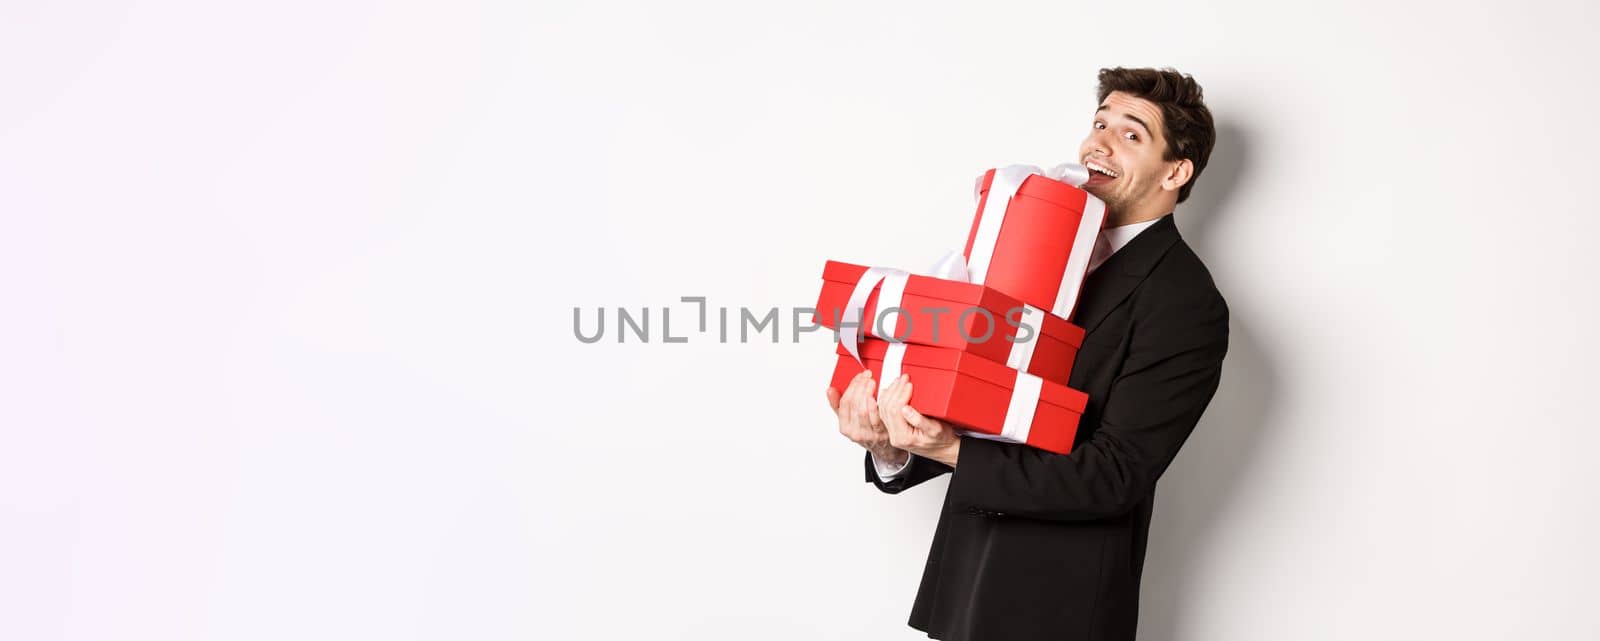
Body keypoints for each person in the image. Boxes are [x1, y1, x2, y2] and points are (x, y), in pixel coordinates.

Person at [826, 66, 1228, 640]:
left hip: (1055, 606)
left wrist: (951, 450)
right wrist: (891, 443)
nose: (1099, 142)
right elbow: (984, 409)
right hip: (965, 586)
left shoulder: (1185, 300)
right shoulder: (1043, 247)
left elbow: (1113, 475)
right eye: (1099, 123)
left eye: (1131, 134)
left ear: (1176, 171)